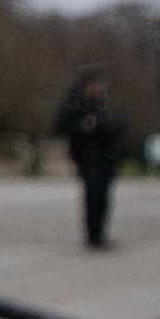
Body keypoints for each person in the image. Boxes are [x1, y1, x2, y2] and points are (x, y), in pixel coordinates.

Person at [52, 63, 125, 248]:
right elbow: (62, 127)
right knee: (93, 195)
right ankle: (93, 236)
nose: (101, 87)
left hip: (106, 156)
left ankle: (100, 234)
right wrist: (84, 127)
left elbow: (115, 126)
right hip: (87, 156)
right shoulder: (75, 103)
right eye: (98, 83)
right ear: (87, 84)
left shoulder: (101, 104)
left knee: (104, 197)